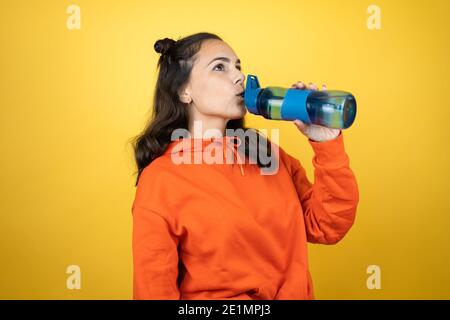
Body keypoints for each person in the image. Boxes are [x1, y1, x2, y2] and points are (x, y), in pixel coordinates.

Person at [130, 32, 359, 300]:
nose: (239, 77)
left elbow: (327, 225)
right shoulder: (162, 179)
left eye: (238, 66)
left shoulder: (267, 154)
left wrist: (326, 143)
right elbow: (153, 290)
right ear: (184, 91)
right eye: (219, 67)